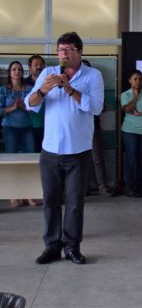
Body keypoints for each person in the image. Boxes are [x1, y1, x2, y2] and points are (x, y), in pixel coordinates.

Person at [27, 31, 104, 265]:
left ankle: (72, 247)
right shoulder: (48, 73)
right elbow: (30, 104)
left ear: (79, 52)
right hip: (50, 151)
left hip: (78, 151)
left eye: (68, 50)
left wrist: (70, 89)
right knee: (50, 201)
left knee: (74, 203)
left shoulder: (93, 76)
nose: (63, 54)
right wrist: (42, 91)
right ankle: (52, 246)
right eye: (60, 50)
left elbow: (97, 108)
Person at [1, 61, 37, 208]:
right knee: (11, 163)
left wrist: (25, 108)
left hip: (27, 128)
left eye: (20, 69)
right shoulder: (3, 90)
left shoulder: (29, 89)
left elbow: (35, 108)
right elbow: (0, 110)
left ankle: (29, 195)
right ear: (9, 73)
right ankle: (13, 196)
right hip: (10, 128)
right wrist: (13, 107)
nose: (17, 72)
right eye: (14, 69)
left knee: (30, 162)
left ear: (23, 73)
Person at [121, 70, 142, 197]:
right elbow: (127, 109)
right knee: (132, 159)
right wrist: (135, 96)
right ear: (130, 80)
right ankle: (129, 188)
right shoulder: (125, 94)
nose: (138, 81)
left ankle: (138, 188)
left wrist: (140, 113)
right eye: (135, 79)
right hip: (130, 131)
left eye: (140, 79)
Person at [82, 60, 111, 196]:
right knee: (80, 160)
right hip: (77, 130)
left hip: (93, 127)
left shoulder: (96, 87)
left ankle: (102, 186)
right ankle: (84, 187)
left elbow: (102, 107)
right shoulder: (73, 86)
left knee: (97, 158)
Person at [25, 55, 46, 153]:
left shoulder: (48, 83)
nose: (39, 67)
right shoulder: (23, 84)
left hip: (46, 125)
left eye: (41, 64)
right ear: (30, 68)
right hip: (29, 126)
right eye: (36, 64)